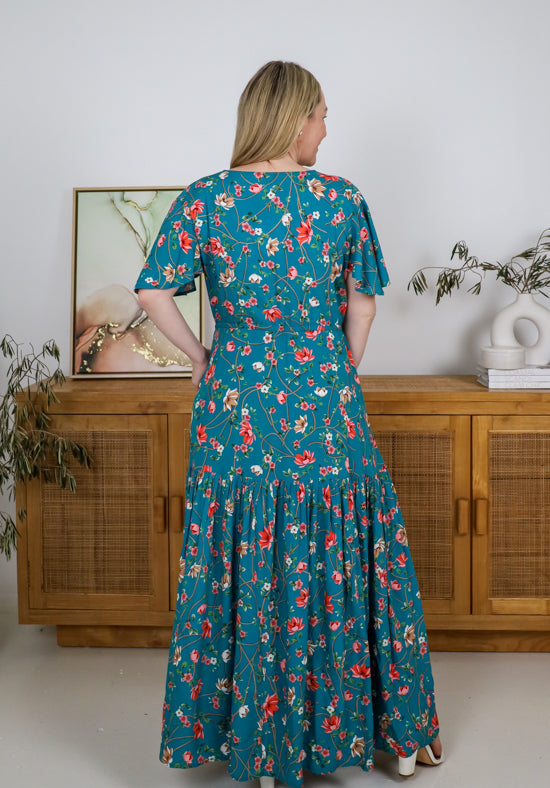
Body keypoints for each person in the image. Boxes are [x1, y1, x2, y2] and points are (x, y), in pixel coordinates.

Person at [134, 60, 443, 788]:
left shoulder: (206, 199)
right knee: (350, 551)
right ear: (295, 118)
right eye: (322, 115)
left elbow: (151, 290)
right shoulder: (340, 199)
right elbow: (363, 304)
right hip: (326, 405)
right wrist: (344, 361)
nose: (327, 128)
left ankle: (261, 747)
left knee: (245, 560)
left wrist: (202, 356)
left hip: (235, 412)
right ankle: (395, 741)